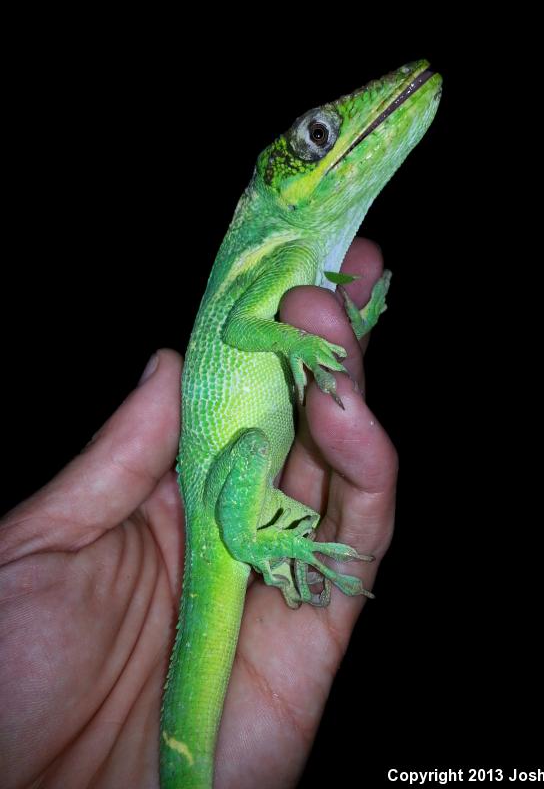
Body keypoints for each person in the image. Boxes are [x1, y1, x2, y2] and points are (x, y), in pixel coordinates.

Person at [0, 238, 398, 788]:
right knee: (258, 443)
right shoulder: (282, 248)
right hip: (232, 516)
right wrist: (256, 543)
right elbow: (239, 331)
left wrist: (339, 326)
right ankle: (255, 544)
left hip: (235, 493)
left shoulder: (296, 259)